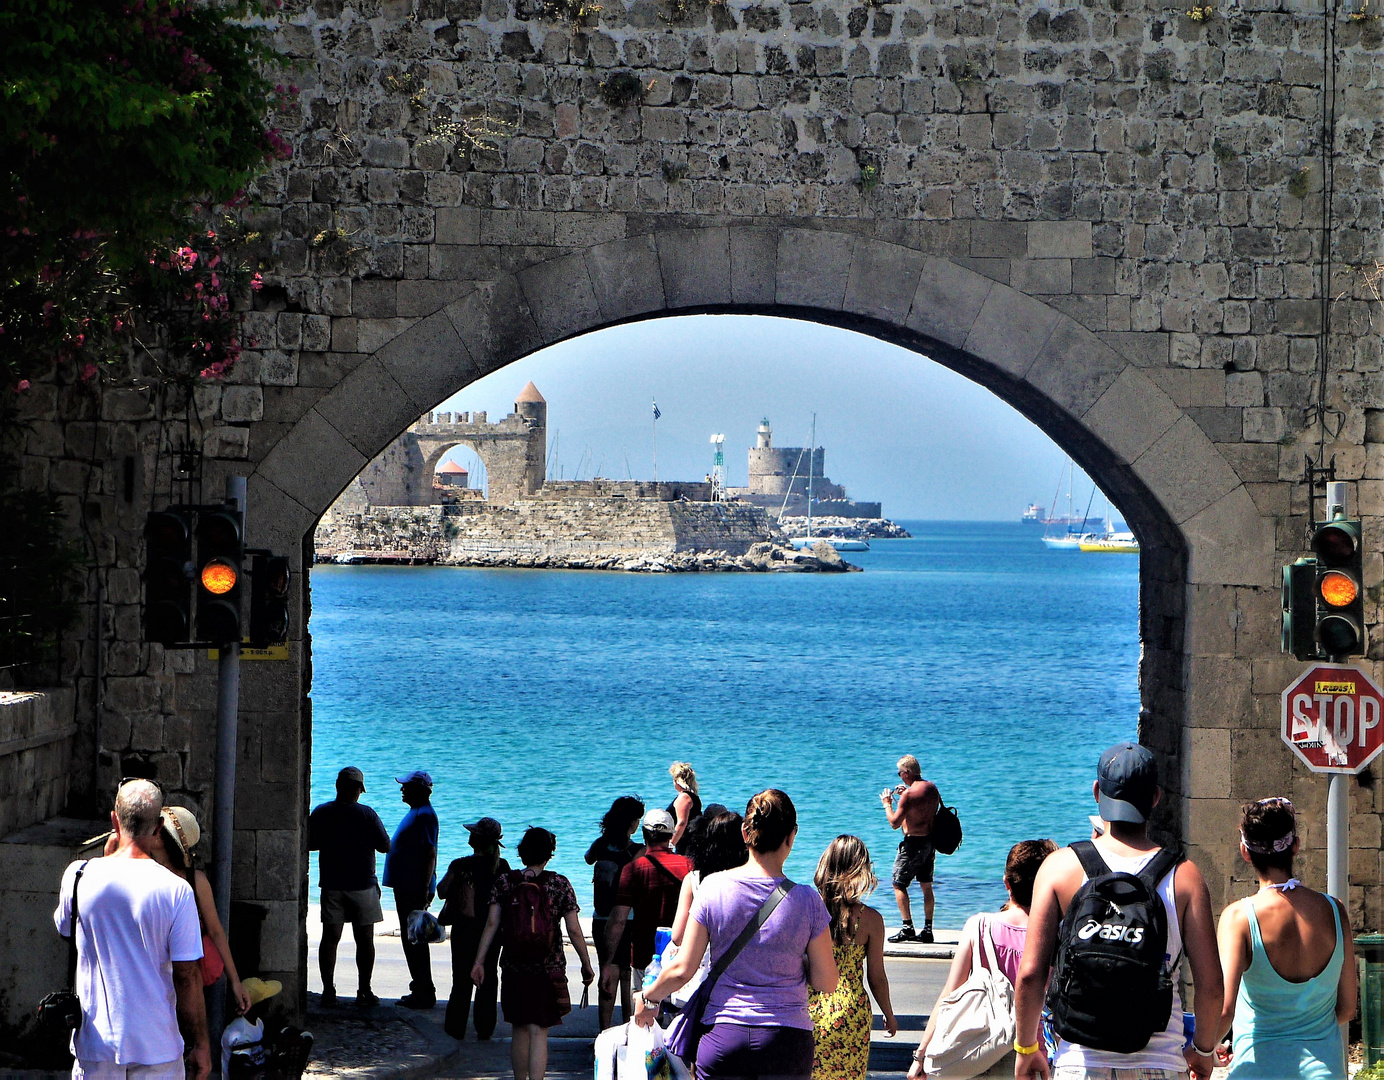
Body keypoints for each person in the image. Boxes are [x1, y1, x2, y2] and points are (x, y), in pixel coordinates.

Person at [1014, 743, 1224, 1080]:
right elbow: (1211, 986)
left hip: (1079, 1064)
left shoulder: (1059, 868)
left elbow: (1030, 974)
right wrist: (1202, 1051)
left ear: (1097, 792)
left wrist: (1026, 1049)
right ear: (1155, 797)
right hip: (1161, 1063)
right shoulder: (1184, 877)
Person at [634, 789, 839, 1080]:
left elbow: (682, 969)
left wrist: (648, 998)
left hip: (724, 1036)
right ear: (792, 837)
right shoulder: (808, 900)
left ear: (745, 832)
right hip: (787, 1040)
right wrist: (797, 962)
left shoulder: (713, 888)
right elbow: (826, 981)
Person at [55, 778, 210, 1079]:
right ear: (157, 829)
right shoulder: (176, 890)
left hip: (95, 1047)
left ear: (114, 819)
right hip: (157, 1048)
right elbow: (187, 977)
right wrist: (201, 1043)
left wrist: (104, 858)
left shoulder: (77, 876)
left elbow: (66, 932)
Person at [1208, 797, 1356, 1079]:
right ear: (1296, 846)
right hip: (1324, 1071)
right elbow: (1347, 1008)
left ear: (1245, 852)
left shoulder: (1239, 918)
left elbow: (1224, 1009)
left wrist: (1202, 1050)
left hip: (1258, 1069)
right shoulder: (1335, 911)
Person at [906, 839, 1056, 1078]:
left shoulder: (980, 926)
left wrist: (921, 1055)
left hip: (980, 1052)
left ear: (1007, 883)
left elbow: (949, 995)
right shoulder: (1055, 935)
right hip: (1033, 1058)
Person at [471, 827, 595, 1080]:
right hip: (548, 967)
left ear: (522, 852)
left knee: (519, 1028)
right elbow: (573, 929)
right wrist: (586, 962)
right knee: (539, 1031)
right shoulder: (559, 884)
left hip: (514, 965)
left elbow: (492, 924)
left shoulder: (505, 882)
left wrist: (479, 961)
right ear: (549, 854)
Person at [810, 836, 899, 1080]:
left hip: (810, 1010)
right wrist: (889, 1015)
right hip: (851, 1013)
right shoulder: (870, 920)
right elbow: (876, 977)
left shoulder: (809, 910)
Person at [154, 806, 252, 1017]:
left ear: (163, 838)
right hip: (154, 981)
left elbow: (216, 931)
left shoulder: (195, 881)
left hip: (185, 980)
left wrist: (235, 982)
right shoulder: (144, 874)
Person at [307, 765, 391, 1007]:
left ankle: (327, 990)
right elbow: (386, 846)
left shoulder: (322, 812)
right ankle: (364, 990)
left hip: (332, 885)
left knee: (330, 939)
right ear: (358, 790)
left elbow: (310, 843)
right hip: (363, 886)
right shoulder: (367, 815)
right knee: (365, 941)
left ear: (337, 786)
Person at [599, 809, 692, 995]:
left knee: (645, 1017)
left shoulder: (633, 870)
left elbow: (618, 920)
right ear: (671, 835)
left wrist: (607, 963)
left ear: (644, 834)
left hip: (644, 958)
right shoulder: (689, 865)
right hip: (681, 957)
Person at [438, 817, 511, 1041]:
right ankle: (485, 1028)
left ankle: (455, 1028)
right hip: (492, 929)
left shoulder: (460, 865)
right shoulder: (502, 866)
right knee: (488, 978)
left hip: (464, 929)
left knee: (460, 979)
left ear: (474, 840)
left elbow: (442, 890)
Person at [584, 796, 645, 1029]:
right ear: (630, 822)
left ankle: (604, 1032)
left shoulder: (600, 845)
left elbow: (588, 858)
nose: (637, 824)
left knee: (606, 971)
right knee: (627, 974)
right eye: (636, 820)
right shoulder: (636, 851)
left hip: (600, 918)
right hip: (628, 919)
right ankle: (629, 1028)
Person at [382, 769, 439, 1009]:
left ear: (420, 790)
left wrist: (425, 888)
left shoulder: (424, 815)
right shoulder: (418, 813)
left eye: (406, 786)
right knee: (412, 939)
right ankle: (420, 987)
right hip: (407, 886)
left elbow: (429, 853)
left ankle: (424, 991)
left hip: (413, 888)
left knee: (415, 940)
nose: (402, 789)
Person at [880, 754, 941, 943]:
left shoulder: (908, 794)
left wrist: (887, 804)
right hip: (929, 842)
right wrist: (904, 794)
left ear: (906, 773)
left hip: (913, 844)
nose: (900, 776)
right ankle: (928, 930)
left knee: (898, 884)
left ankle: (907, 927)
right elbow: (919, 808)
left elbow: (895, 823)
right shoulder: (931, 788)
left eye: (900, 773)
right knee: (926, 886)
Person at [667, 761, 702, 852]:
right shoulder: (693, 796)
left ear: (677, 780)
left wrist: (671, 844)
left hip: (686, 843)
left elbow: (682, 823)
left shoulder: (684, 797)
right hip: (693, 841)